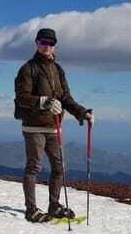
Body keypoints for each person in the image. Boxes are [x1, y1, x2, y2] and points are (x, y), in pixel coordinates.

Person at [14, 28, 94, 223]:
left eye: (51, 43)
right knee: (34, 167)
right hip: (33, 127)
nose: (47, 46)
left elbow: (65, 97)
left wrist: (82, 112)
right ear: (36, 43)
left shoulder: (58, 69)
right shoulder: (28, 68)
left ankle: (54, 205)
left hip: (53, 126)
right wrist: (43, 101)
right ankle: (31, 209)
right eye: (43, 42)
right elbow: (21, 97)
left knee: (59, 167)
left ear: (54, 45)